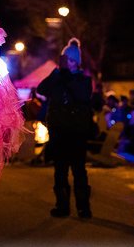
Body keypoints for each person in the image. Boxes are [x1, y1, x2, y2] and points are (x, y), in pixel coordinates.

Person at [36, 37, 94, 218]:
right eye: (64, 60)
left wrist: (68, 79)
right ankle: (62, 206)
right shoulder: (58, 77)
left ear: (76, 62)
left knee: (79, 170)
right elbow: (41, 89)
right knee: (60, 169)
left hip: (77, 131)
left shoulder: (84, 80)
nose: (67, 63)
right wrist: (56, 74)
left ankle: (83, 207)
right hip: (59, 129)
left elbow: (83, 96)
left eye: (70, 60)